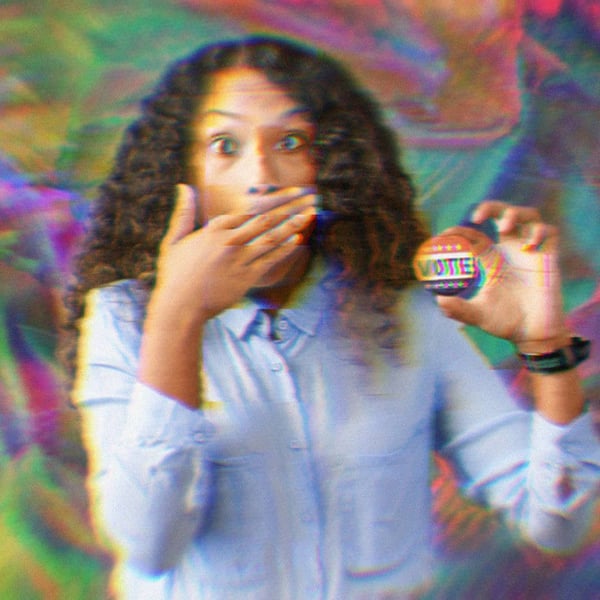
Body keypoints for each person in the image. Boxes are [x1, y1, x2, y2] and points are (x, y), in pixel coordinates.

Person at [63, 36, 600, 599]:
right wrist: (178, 314)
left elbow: (558, 522)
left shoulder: (406, 319)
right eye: (226, 145)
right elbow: (147, 542)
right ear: (185, 176)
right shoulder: (124, 318)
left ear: (327, 170)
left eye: (290, 142)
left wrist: (546, 344)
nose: (263, 178)